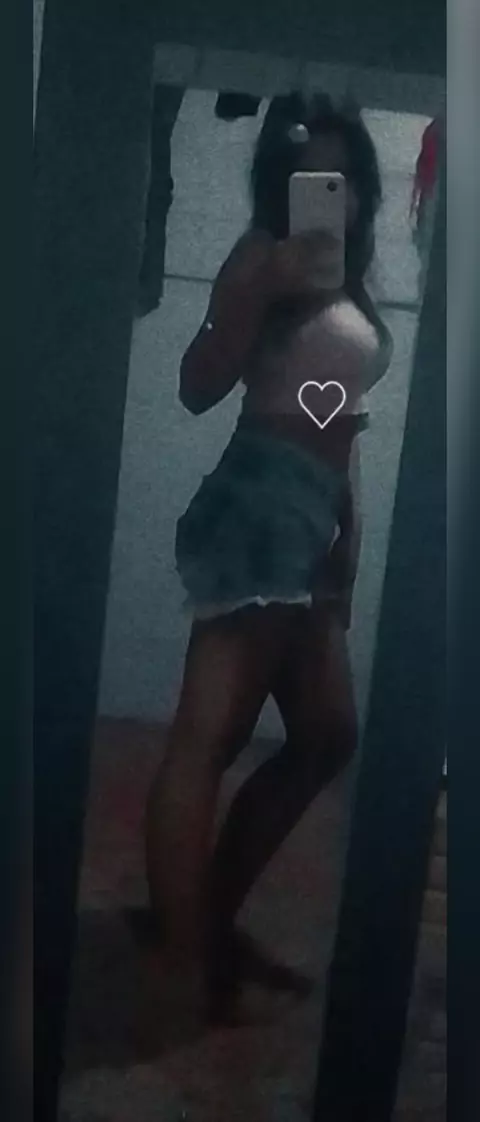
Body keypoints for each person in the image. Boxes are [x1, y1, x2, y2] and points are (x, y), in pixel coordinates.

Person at [144, 91, 393, 1022]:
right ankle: (181, 960)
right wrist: (252, 293)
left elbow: (342, 420)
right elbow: (196, 387)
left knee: (327, 736)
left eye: (343, 177)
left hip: (312, 525)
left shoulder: (352, 281)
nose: (328, 194)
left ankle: (205, 919)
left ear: (362, 190)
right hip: (254, 513)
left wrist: (349, 538)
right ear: (280, 185)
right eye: (307, 175)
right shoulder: (258, 258)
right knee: (206, 740)